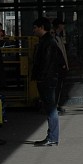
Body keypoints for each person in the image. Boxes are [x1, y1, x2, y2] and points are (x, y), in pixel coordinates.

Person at [31, 17, 67, 146]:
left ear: (41, 27)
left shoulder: (47, 42)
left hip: (47, 79)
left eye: (35, 28)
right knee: (50, 108)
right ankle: (52, 136)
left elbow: (46, 63)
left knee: (51, 109)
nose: (34, 30)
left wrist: (41, 77)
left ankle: (52, 137)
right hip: (49, 78)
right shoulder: (48, 41)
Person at [52, 18, 69, 114]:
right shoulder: (54, 37)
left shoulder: (59, 37)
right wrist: (62, 64)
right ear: (59, 25)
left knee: (60, 87)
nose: (63, 27)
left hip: (62, 65)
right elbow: (58, 53)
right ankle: (55, 106)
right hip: (58, 67)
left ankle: (57, 105)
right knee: (57, 87)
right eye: (62, 25)